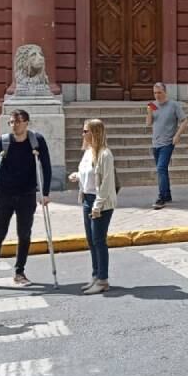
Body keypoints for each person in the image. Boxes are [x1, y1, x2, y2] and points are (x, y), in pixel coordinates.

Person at [0, 109, 51, 292]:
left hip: (26, 193)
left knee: (24, 234)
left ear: (27, 123)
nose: (14, 125)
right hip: (3, 193)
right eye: (12, 122)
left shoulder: (37, 141)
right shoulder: (3, 142)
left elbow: (46, 166)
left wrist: (46, 192)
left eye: (18, 122)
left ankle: (19, 272)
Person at [69, 119, 117, 295]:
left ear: (95, 133)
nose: (83, 134)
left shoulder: (105, 154)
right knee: (91, 241)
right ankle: (96, 276)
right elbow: (87, 173)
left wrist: (98, 206)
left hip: (101, 203)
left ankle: (103, 279)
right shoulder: (88, 152)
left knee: (99, 240)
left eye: (85, 131)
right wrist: (78, 176)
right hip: (87, 199)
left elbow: (106, 183)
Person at [146, 82, 188, 210]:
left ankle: (161, 198)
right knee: (162, 170)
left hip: (168, 142)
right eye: (155, 93)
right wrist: (149, 111)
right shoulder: (152, 105)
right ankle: (167, 194)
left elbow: (185, 121)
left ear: (165, 92)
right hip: (155, 142)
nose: (157, 95)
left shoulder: (174, 105)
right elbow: (148, 123)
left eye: (159, 93)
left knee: (161, 168)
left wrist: (177, 135)